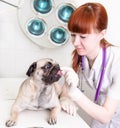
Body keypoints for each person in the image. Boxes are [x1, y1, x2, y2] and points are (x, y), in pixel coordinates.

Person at [60, 2, 120, 128]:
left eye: (83, 36)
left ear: (101, 34)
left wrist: (75, 94)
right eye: (73, 35)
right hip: (100, 114)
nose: (75, 42)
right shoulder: (81, 56)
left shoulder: (117, 62)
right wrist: (64, 98)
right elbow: (67, 86)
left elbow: (106, 116)